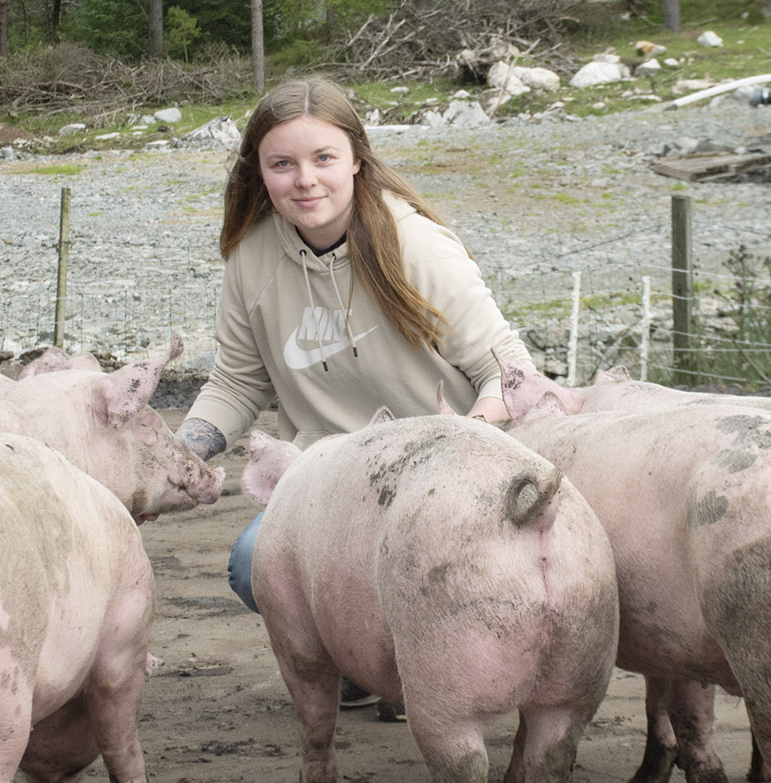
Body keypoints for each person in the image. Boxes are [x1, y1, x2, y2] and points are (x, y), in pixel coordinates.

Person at [175, 77, 532, 719]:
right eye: (281, 163)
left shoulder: (415, 245)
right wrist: (175, 453)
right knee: (251, 561)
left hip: (438, 472)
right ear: (258, 171)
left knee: (422, 571)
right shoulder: (250, 258)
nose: (304, 180)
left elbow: (509, 372)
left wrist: (458, 449)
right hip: (326, 474)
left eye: (323, 158)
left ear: (357, 159)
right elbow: (235, 382)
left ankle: (430, 665)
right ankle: (364, 664)